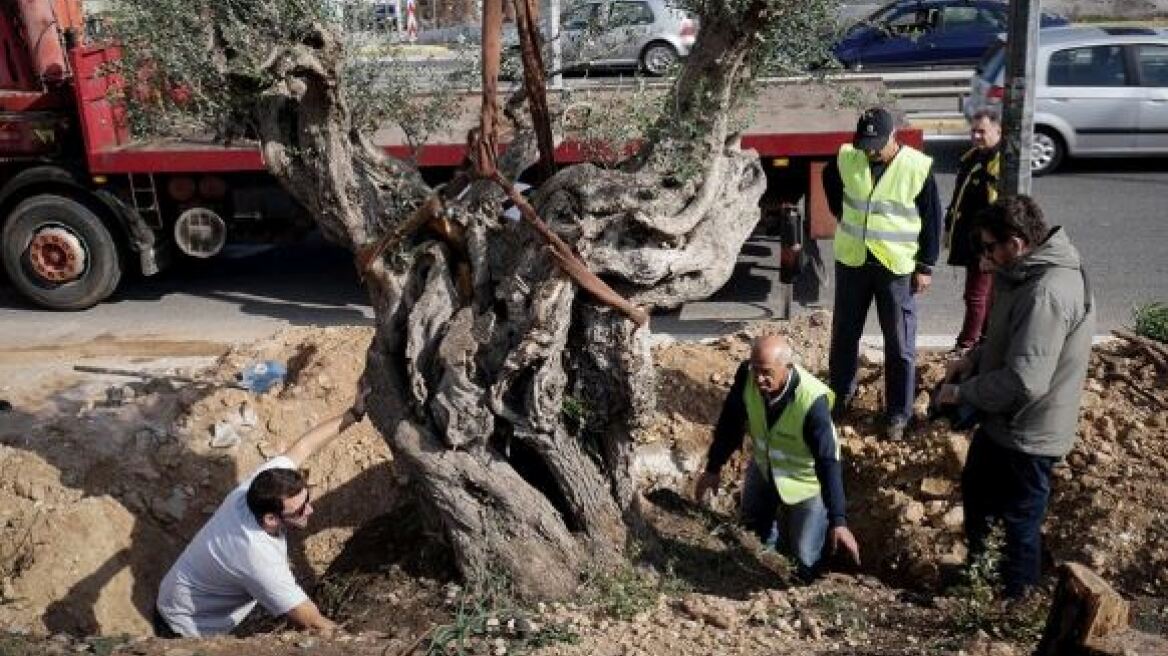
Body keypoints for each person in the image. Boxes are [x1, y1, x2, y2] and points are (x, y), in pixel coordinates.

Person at [937, 195, 1094, 598]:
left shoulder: (1045, 293)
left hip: (1029, 431)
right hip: (1004, 422)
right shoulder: (1026, 275)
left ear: (1017, 243)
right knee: (979, 495)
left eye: (990, 247)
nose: (985, 257)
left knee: (1019, 520)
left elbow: (1026, 379)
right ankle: (980, 577)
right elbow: (1012, 339)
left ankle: (1014, 602)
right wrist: (972, 358)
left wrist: (961, 393)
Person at [154, 388, 369, 638]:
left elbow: (304, 447)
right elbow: (312, 622)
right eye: (300, 509)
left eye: (307, 498)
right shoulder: (257, 555)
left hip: (183, 590)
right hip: (187, 627)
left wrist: (354, 413)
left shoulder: (261, 487)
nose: (310, 509)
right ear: (271, 519)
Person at [694, 335, 861, 579]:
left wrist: (838, 520)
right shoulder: (748, 376)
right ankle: (760, 570)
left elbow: (828, 461)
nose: (759, 379)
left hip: (805, 484)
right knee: (751, 531)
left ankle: (802, 589)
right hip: (764, 469)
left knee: (804, 555)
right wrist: (713, 468)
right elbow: (730, 422)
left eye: (767, 372)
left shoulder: (812, 402)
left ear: (788, 368)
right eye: (755, 370)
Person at [822, 107, 943, 440]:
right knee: (844, 334)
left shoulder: (917, 168)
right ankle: (840, 395)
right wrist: (845, 215)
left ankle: (898, 413)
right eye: (864, 143)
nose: (870, 150)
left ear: (893, 137)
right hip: (853, 261)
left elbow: (933, 220)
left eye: (876, 143)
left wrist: (926, 265)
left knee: (900, 343)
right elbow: (830, 183)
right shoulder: (848, 158)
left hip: (895, 267)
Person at [945, 108, 1002, 350]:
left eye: (983, 131)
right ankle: (985, 340)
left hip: (986, 244)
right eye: (974, 131)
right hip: (973, 240)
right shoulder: (972, 157)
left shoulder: (998, 163)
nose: (977, 136)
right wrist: (949, 227)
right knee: (985, 296)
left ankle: (967, 344)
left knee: (976, 296)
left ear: (999, 131)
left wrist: (989, 250)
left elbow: (995, 208)